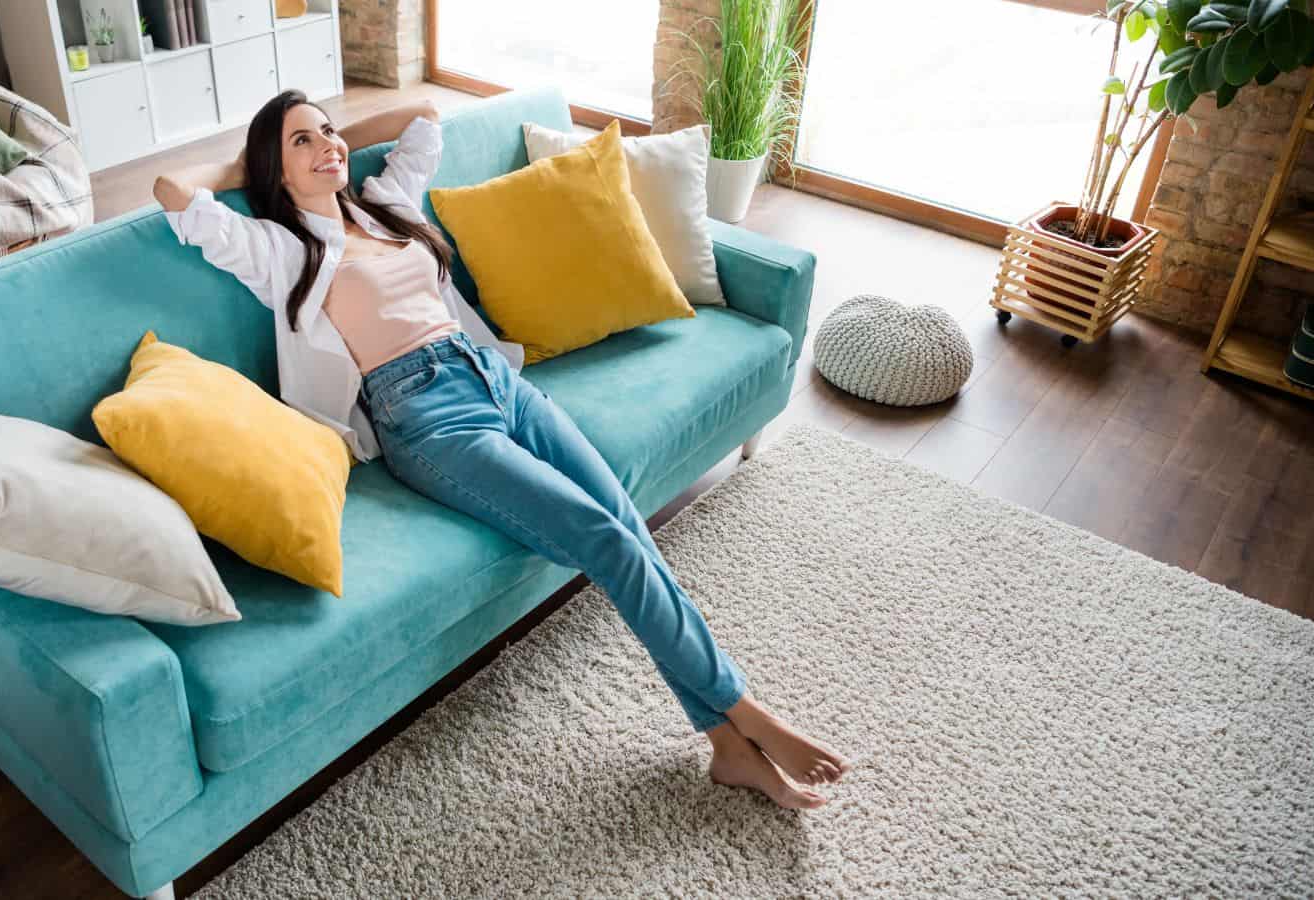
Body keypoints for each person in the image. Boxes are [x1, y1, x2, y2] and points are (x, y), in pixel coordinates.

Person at [153, 91, 851, 809]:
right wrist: (250, 157)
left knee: (624, 520)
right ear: (273, 167)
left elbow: (421, 115)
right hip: (426, 418)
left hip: (494, 378)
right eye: (302, 142)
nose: (329, 144)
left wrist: (325, 139)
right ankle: (746, 712)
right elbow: (174, 192)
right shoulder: (275, 246)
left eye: (329, 132)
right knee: (602, 539)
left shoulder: (381, 201)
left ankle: (728, 744)